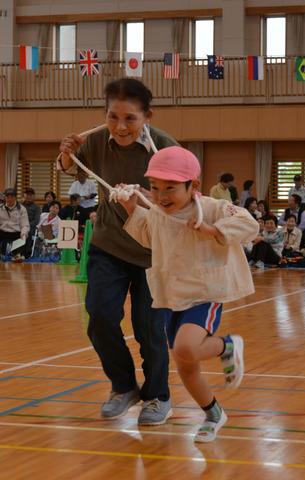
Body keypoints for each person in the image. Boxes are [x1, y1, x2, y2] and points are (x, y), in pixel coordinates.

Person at [58, 78, 179, 425]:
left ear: (147, 116)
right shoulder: (95, 142)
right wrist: (66, 154)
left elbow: (186, 197)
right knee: (99, 317)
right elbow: (68, 168)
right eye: (113, 117)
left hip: (154, 253)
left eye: (130, 118)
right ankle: (124, 387)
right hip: (108, 247)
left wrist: (149, 197)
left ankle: (158, 396)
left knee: (149, 329)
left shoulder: (166, 149)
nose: (120, 126)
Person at [117, 146, 258, 442]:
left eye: (170, 188)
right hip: (171, 296)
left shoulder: (211, 207)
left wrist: (210, 229)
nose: (161, 195)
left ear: (192, 185)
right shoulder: (156, 212)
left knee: (186, 348)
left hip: (204, 293)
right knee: (186, 367)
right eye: (155, 188)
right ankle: (214, 413)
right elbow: (147, 237)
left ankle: (227, 345)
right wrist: (132, 207)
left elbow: (248, 223)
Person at [0, 188, 30, 262]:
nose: (9, 199)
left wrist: (23, 234)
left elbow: (25, 225)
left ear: (15, 197)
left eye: (12, 197)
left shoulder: (22, 209)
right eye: (7, 197)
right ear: (5, 198)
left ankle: (18, 256)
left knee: (26, 237)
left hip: (16, 233)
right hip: (2, 231)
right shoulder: (0, 208)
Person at [22, 187, 41, 258]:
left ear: (33, 196)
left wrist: (26, 226)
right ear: (24, 195)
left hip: (31, 227)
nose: (29, 196)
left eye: (31, 195)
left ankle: (26, 254)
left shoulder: (36, 207)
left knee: (27, 232)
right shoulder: (20, 206)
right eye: (27, 194)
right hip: (19, 227)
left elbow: (36, 220)